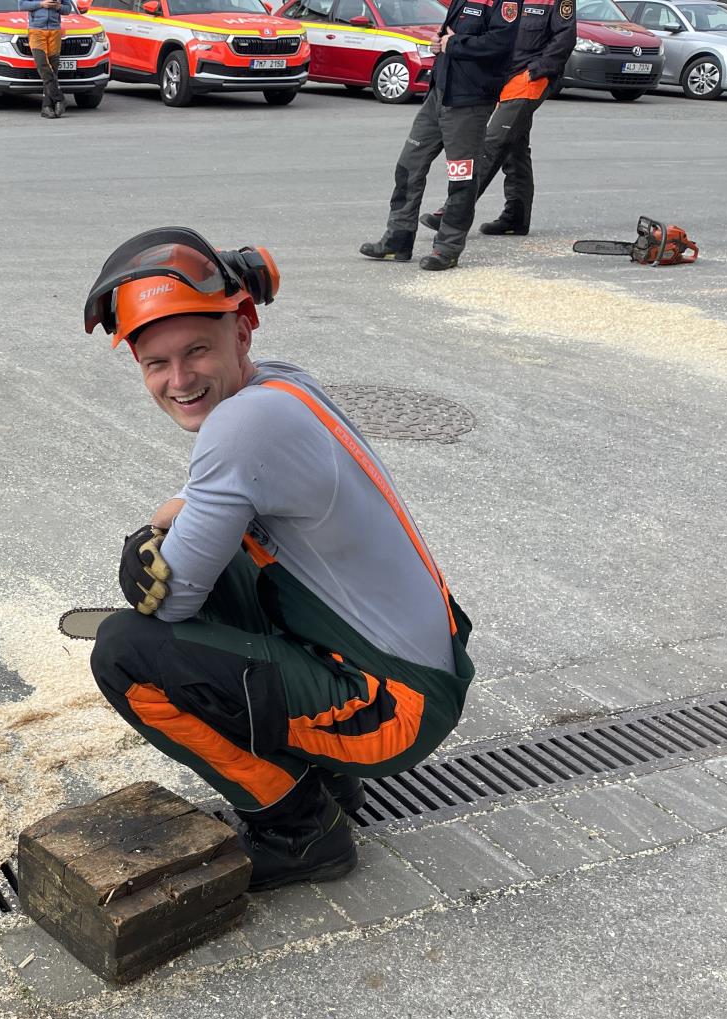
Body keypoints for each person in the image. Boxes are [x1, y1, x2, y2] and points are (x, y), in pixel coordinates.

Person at [83, 228, 475, 890]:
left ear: (241, 330)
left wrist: (145, 559)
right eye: (156, 363)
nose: (178, 380)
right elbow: (208, 498)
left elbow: (174, 600)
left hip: (395, 710)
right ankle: (330, 780)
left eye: (196, 350)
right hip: (418, 669)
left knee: (127, 653)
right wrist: (157, 528)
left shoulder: (241, 426)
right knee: (230, 562)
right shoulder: (279, 385)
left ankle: (299, 831)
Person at [358, 0, 520, 270]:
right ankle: (398, 239)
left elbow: (501, 44)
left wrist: (454, 44)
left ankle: (447, 248)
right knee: (409, 165)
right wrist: (439, 42)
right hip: (439, 93)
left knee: (461, 177)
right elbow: (450, 35)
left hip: (469, 101)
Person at [421, 0, 576, 238]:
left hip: (529, 78)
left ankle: (452, 213)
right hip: (500, 74)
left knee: (493, 141)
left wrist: (538, 70)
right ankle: (516, 217)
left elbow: (565, 38)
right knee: (515, 147)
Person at [19, 0, 79, 118]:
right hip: (36, 30)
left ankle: (46, 107)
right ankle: (59, 98)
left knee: (53, 70)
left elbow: (67, 9)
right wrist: (41, 4)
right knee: (43, 66)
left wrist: (58, 6)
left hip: (55, 31)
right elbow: (22, 5)